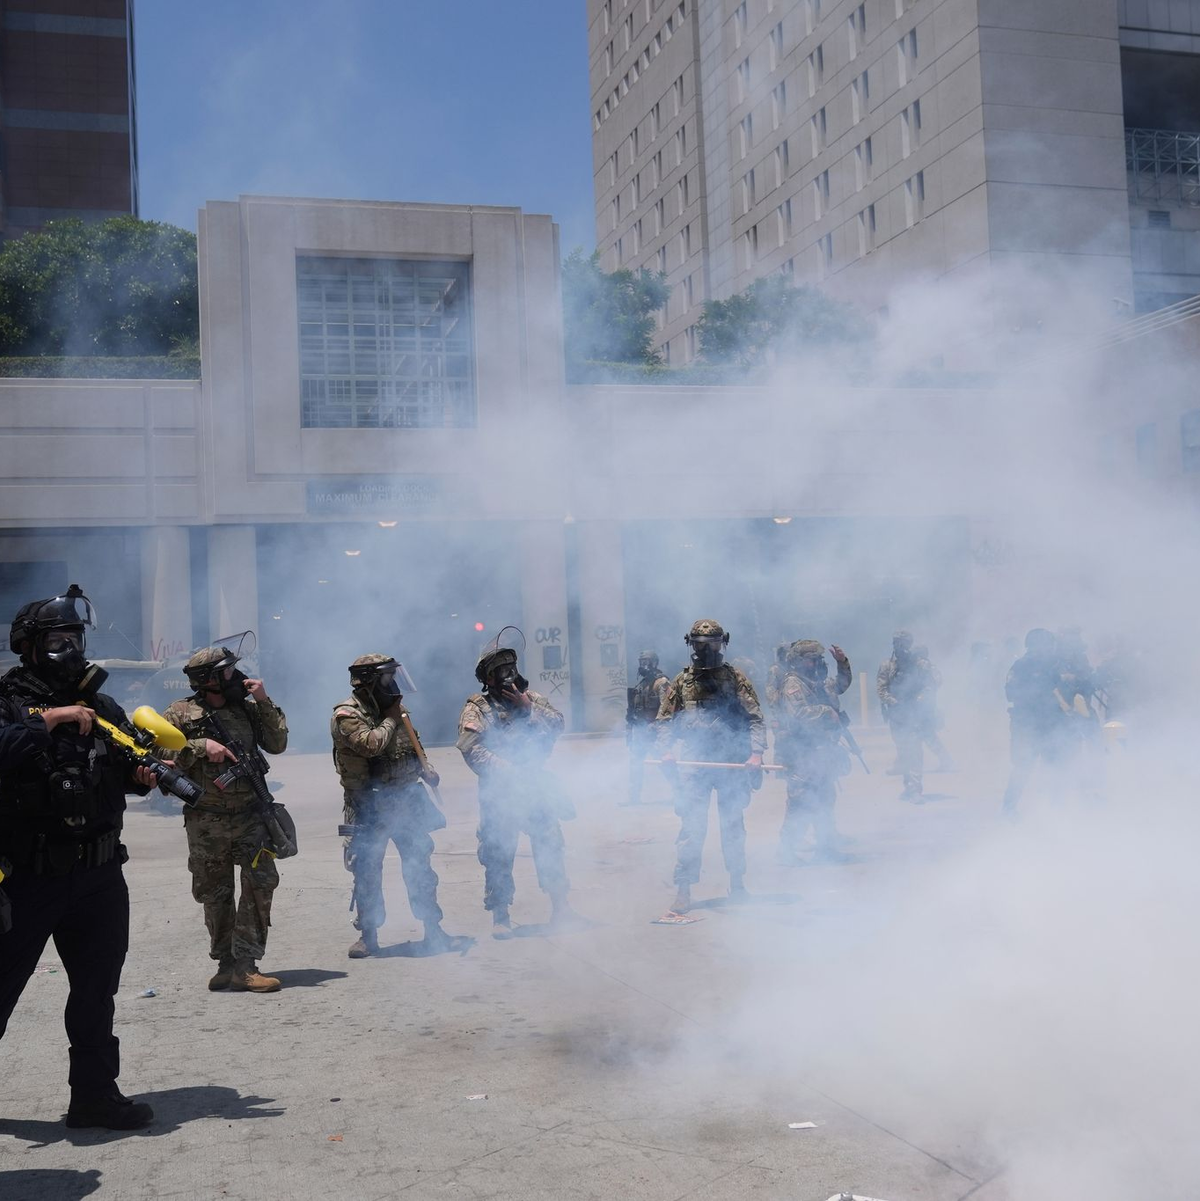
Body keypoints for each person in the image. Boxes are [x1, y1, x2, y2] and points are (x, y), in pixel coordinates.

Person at [0, 585, 156, 1129]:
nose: (72, 649)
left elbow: (126, 768)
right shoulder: (8, 702)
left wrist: (140, 776)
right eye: (60, 639)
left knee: (96, 990)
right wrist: (48, 720)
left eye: (77, 638)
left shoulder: (102, 706)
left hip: (98, 873)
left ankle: (93, 1096)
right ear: (31, 645)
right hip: (27, 877)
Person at [163, 643, 288, 993]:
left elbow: (277, 743)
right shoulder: (179, 713)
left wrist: (264, 701)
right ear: (210, 679)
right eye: (228, 671)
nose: (236, 676)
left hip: (251, 815)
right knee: (213, 893)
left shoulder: (247, 710)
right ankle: (226, 963)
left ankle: (247, 964)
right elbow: (154, 749)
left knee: (262, 882)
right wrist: (201, 748)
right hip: (207, 820)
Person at [332, 654, 459, 958]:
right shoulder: (347, 714)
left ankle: (433, 927)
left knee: (419, 867)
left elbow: (412, 746)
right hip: (369, 803)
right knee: (367, 870)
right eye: (389, 679)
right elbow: (370, 744)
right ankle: (369, 934)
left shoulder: (398, 712)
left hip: (406, 800)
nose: (396, 686)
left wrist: (427, 770)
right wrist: (390, 717)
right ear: (370, 682)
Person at [456, 636, 575, 938]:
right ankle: (501, 915)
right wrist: (507, 771)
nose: (509, 674)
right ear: (489, 678)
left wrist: (527, 708)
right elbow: (471, 749)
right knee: (498, 851)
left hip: (535, 788)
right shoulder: (478, 708)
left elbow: (558, 725)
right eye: (501, 670)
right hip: (501, 792)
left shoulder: (532, 699)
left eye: (511, 667)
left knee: (550, 845)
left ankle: (561, 908)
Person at [655, 619, 765, 914]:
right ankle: (684, 890)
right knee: (692, 827)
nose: (706, 650)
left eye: (713, 644)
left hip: (730, 762)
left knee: (732, 825)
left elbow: (755, 718)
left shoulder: (735, 679)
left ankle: (738, 885)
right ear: (691, 645)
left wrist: (756, 754)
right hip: (695, 763)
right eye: (701, 645)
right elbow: (663, 721)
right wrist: (665, 751)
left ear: (722, 644)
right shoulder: (682, 682)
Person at [775, 639, 853, 862]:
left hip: (822, 753)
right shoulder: (793, 684)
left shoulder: (817, 682)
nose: (817, 663)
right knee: (800, 802)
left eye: (819, 659)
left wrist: (842, 663)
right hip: (802, 754)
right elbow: (799, 714)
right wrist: (826, 711)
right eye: (812, 660)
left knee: (826, 799)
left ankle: (826, 848)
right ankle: (786, 850)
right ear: (799, 662)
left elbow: (842, 684)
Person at [1001, 628, 1078, 815]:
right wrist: (1048, 683)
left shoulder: (1056, 665)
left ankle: (1054, 809)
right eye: (1046, 645)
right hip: (1027, 725)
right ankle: (1009, 809)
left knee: (1054, 767)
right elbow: (1011, 693)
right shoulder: (1020, 667)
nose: (1050, 648)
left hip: (1051, 724)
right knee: (1023, 767)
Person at [877, 630, 931, 801]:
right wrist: (894, 702)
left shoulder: (919, 664)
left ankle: (916, 789)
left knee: (915, 750)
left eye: (904, 643)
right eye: (897, 643)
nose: (900, 647)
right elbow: (881, 689)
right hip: (897, 715)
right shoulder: (887, 666)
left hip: (914, 714)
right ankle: (908, 786)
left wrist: (918, 699)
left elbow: (929, 686)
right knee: (904, 751)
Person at [625, 650, 670, 805]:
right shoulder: (642, 684)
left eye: (647, 662)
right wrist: (630, 731)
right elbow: (633, 712)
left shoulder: (661, 683)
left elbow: (666, 709)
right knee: (635, 765)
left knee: (665, 763)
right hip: (641, 732)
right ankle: (634, 798)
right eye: (641, 662)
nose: (643, 665)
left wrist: (657, 728)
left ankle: (682, 793)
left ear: (655, 663)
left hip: (655, 732)